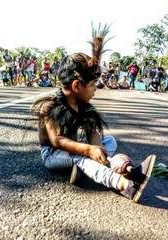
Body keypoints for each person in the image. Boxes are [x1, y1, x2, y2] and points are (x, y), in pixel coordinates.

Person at [31, 25, 156, 203]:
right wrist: (89, 150)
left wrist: (99, 151)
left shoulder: (84, 105)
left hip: (76, 147)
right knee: (81, 156)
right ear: (76, 86)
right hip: (53, 154)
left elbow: (93, 133)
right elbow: (57, 141)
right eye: (93, 84)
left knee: (109, 141)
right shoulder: (49, 107)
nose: (96, 89)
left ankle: (90, 169)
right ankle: (124, 185)